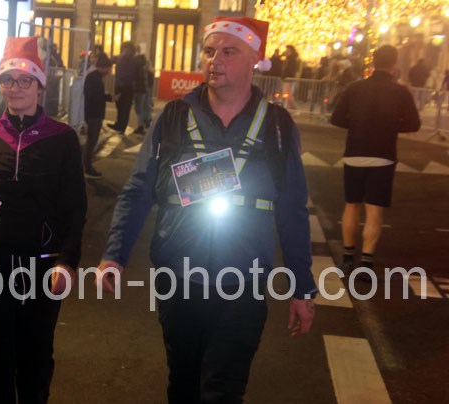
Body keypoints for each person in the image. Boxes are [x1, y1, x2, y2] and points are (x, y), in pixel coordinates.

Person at [96, 17, 317, 403]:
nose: (215, 60)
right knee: (183, 383)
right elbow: (138, 190)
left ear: (255, 60)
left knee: (223, 391)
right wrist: (114, 255)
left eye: (229, 51)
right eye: (209, 51)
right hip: (179, 277)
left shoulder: (277, 126)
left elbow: (293, 209)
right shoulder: (174, 117)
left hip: (244, 281)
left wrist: (303, 286)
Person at [0, 36, 87, 404]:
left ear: (40, 86)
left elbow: (74, 206)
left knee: (35, 359)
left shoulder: (63, 138)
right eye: (8, 80)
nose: (16, 87)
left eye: (26, 80)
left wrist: (67, 260)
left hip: (42, 267)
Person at [330, 45, 421, 280]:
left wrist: (357, 125)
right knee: (374, 210)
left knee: (351, 205)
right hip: (383, 155)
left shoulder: (354, 88)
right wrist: (389, 127)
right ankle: (366, 263)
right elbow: (414, 124)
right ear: (394, 65)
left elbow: (336, 118)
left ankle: (347, 258)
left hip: (355, 152)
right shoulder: (400, 91)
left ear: (373, 62)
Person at [83, 52, 113, 178]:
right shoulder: (95, 78)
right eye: (108, 68)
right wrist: (108, 97)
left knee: (91, 141)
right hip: (94, 114)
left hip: (92, 113)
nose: (109, 71)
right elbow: (95, 97)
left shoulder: (94, 77)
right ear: (104, 67)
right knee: (92, 141)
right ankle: (87, 168)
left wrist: (108, 97)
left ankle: (86, 166)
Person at [108, 42, 137, 135]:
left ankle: (119, 124)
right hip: (130, 86)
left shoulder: (119, 57)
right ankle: (122, 127)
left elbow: (109, 61)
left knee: (119, 106)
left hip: (119, 85)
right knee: (126, 107)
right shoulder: (135, 59)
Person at [132, 51, 154, 135]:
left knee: (139, 108)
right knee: (144, 107)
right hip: (144, 90)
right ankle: (146, 121)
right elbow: (149, 83)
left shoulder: (137, 69)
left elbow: (137, 80)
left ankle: (141, 126)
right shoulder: (145, 70)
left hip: (139, 90)